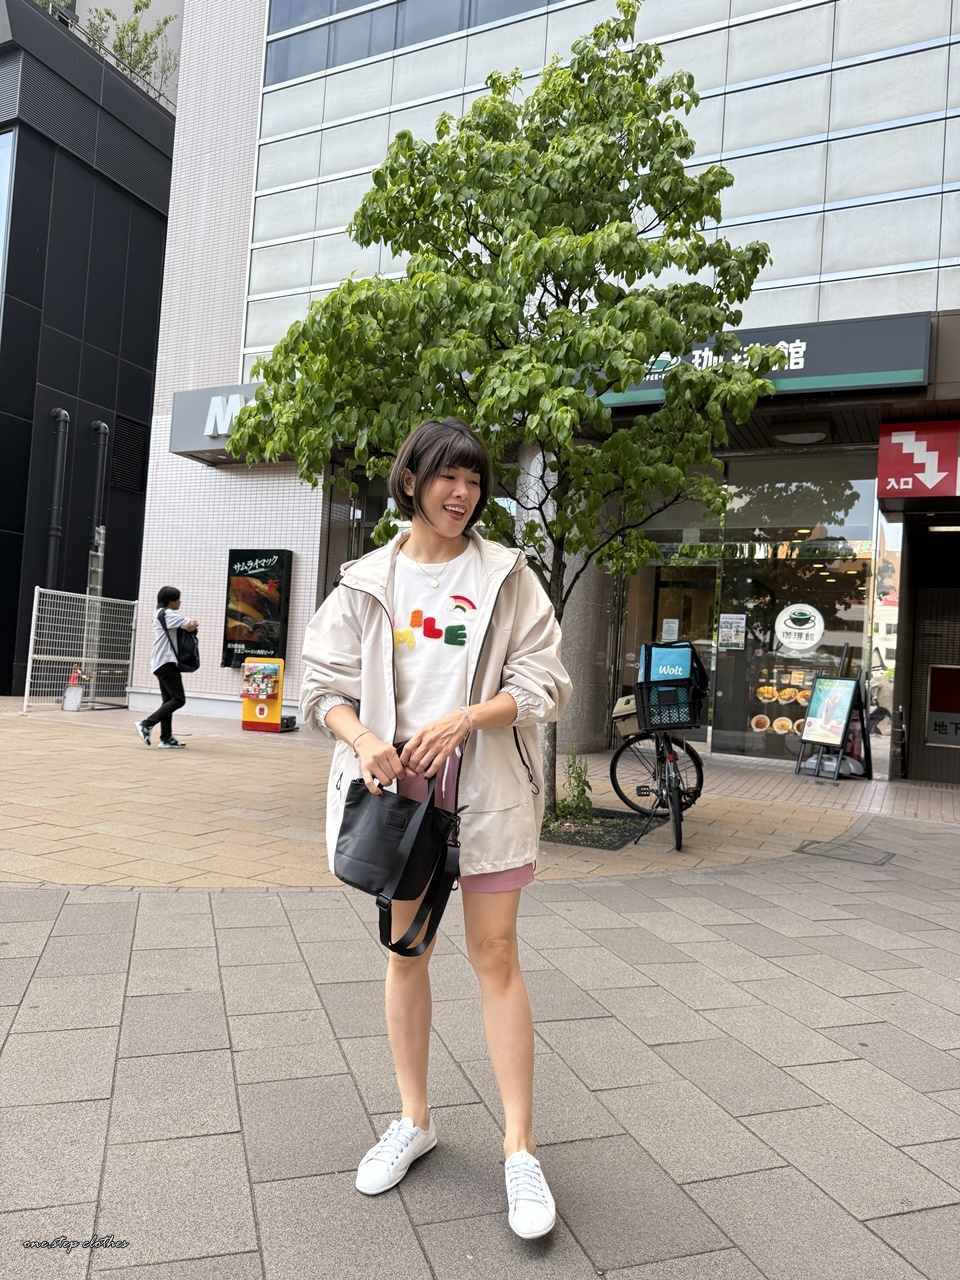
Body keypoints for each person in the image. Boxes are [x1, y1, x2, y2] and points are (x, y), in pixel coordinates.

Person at [301, 417, 571, 1239]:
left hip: (487, 792)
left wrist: (467, 718)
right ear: (411, 481)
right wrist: (363, 740)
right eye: (448, 477)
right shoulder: (365, 582)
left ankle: (520, 1149)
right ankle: (413, 1119)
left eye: (475, 480)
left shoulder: (506, 575)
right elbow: (322, 687)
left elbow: (544, 683)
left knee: (497, 956)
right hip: (398, 799)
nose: (463, 493)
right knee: (405, 953)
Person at [134, 586, 197, 749]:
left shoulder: (159, 613)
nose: (180, 602)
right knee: (178, 699)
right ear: (170, 601)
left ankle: (166, 738)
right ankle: (146, 724)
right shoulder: (168, 614)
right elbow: (190, 625)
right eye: (178, 599)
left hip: (160, 662)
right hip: (167, 663)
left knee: (168, 701)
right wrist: (195, 622)